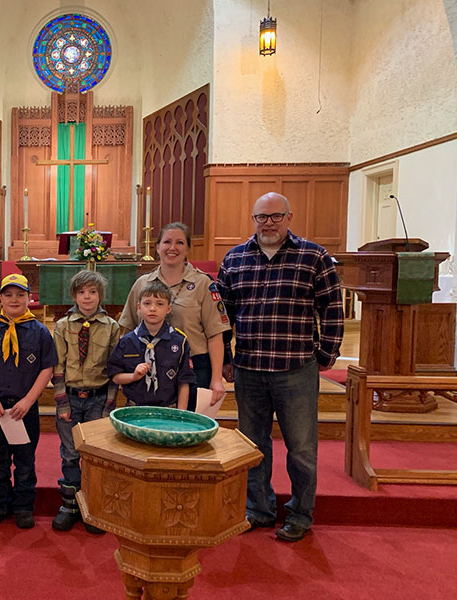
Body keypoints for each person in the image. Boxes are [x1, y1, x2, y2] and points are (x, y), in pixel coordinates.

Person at [216, 192, 344, 543]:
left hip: (295, 369)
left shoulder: (314, 256)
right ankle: (259, 508)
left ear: (289, 217)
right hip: (250, 368)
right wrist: (225, 357)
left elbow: (332, 308)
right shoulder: (235, 258)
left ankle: (300, 513)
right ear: (253, 219)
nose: (268, 223)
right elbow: (222, 315)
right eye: (262, 217)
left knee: (301, 448)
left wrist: (326, 354)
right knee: (253, 444)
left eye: (275, 216)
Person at [0, 273, 56, 529]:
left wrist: (29, 400)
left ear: (30, 298)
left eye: (20, 294)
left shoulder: (40, 332)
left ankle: (23, 506)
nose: (14, 299)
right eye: (8, 294)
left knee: (25, 461)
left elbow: (47, 368)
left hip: (24, 408)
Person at [119, 222, 229, 411]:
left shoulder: (203, 284)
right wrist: (126, 368)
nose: (172, 247)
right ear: (157, 247)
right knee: (151, 424)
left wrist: (217, 379)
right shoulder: (142, 284)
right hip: (149, 366)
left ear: (187, 248)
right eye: (167, 242)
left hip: (194, 367)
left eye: (179, 243)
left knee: (189, 425)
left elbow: (215, 334)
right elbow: (128, 329)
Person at [50, 269, 121, 533]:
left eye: (92, 292)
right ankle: (69, 505)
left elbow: (114, 369)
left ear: (100, 295)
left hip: (97, 400)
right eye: (82, 292)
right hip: (70, 398)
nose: (87, 297)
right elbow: (57, 366)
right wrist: (61, 402)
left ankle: (92, 505)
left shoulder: (112, 327)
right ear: (74, 296)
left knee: (94, 454)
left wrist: (108, 406)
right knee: (70, 453)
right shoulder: (62, 326)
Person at [108, 280, 196, 409]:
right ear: (139, 307)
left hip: (168, 410)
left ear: (168, 309)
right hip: (135, 409)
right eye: (147, 303)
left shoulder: (179, 342)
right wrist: (133, 376)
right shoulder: (127, 341)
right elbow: (115, 377)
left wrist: (180, 414)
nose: (153, 309)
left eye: (160, 304)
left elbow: (184, 382)